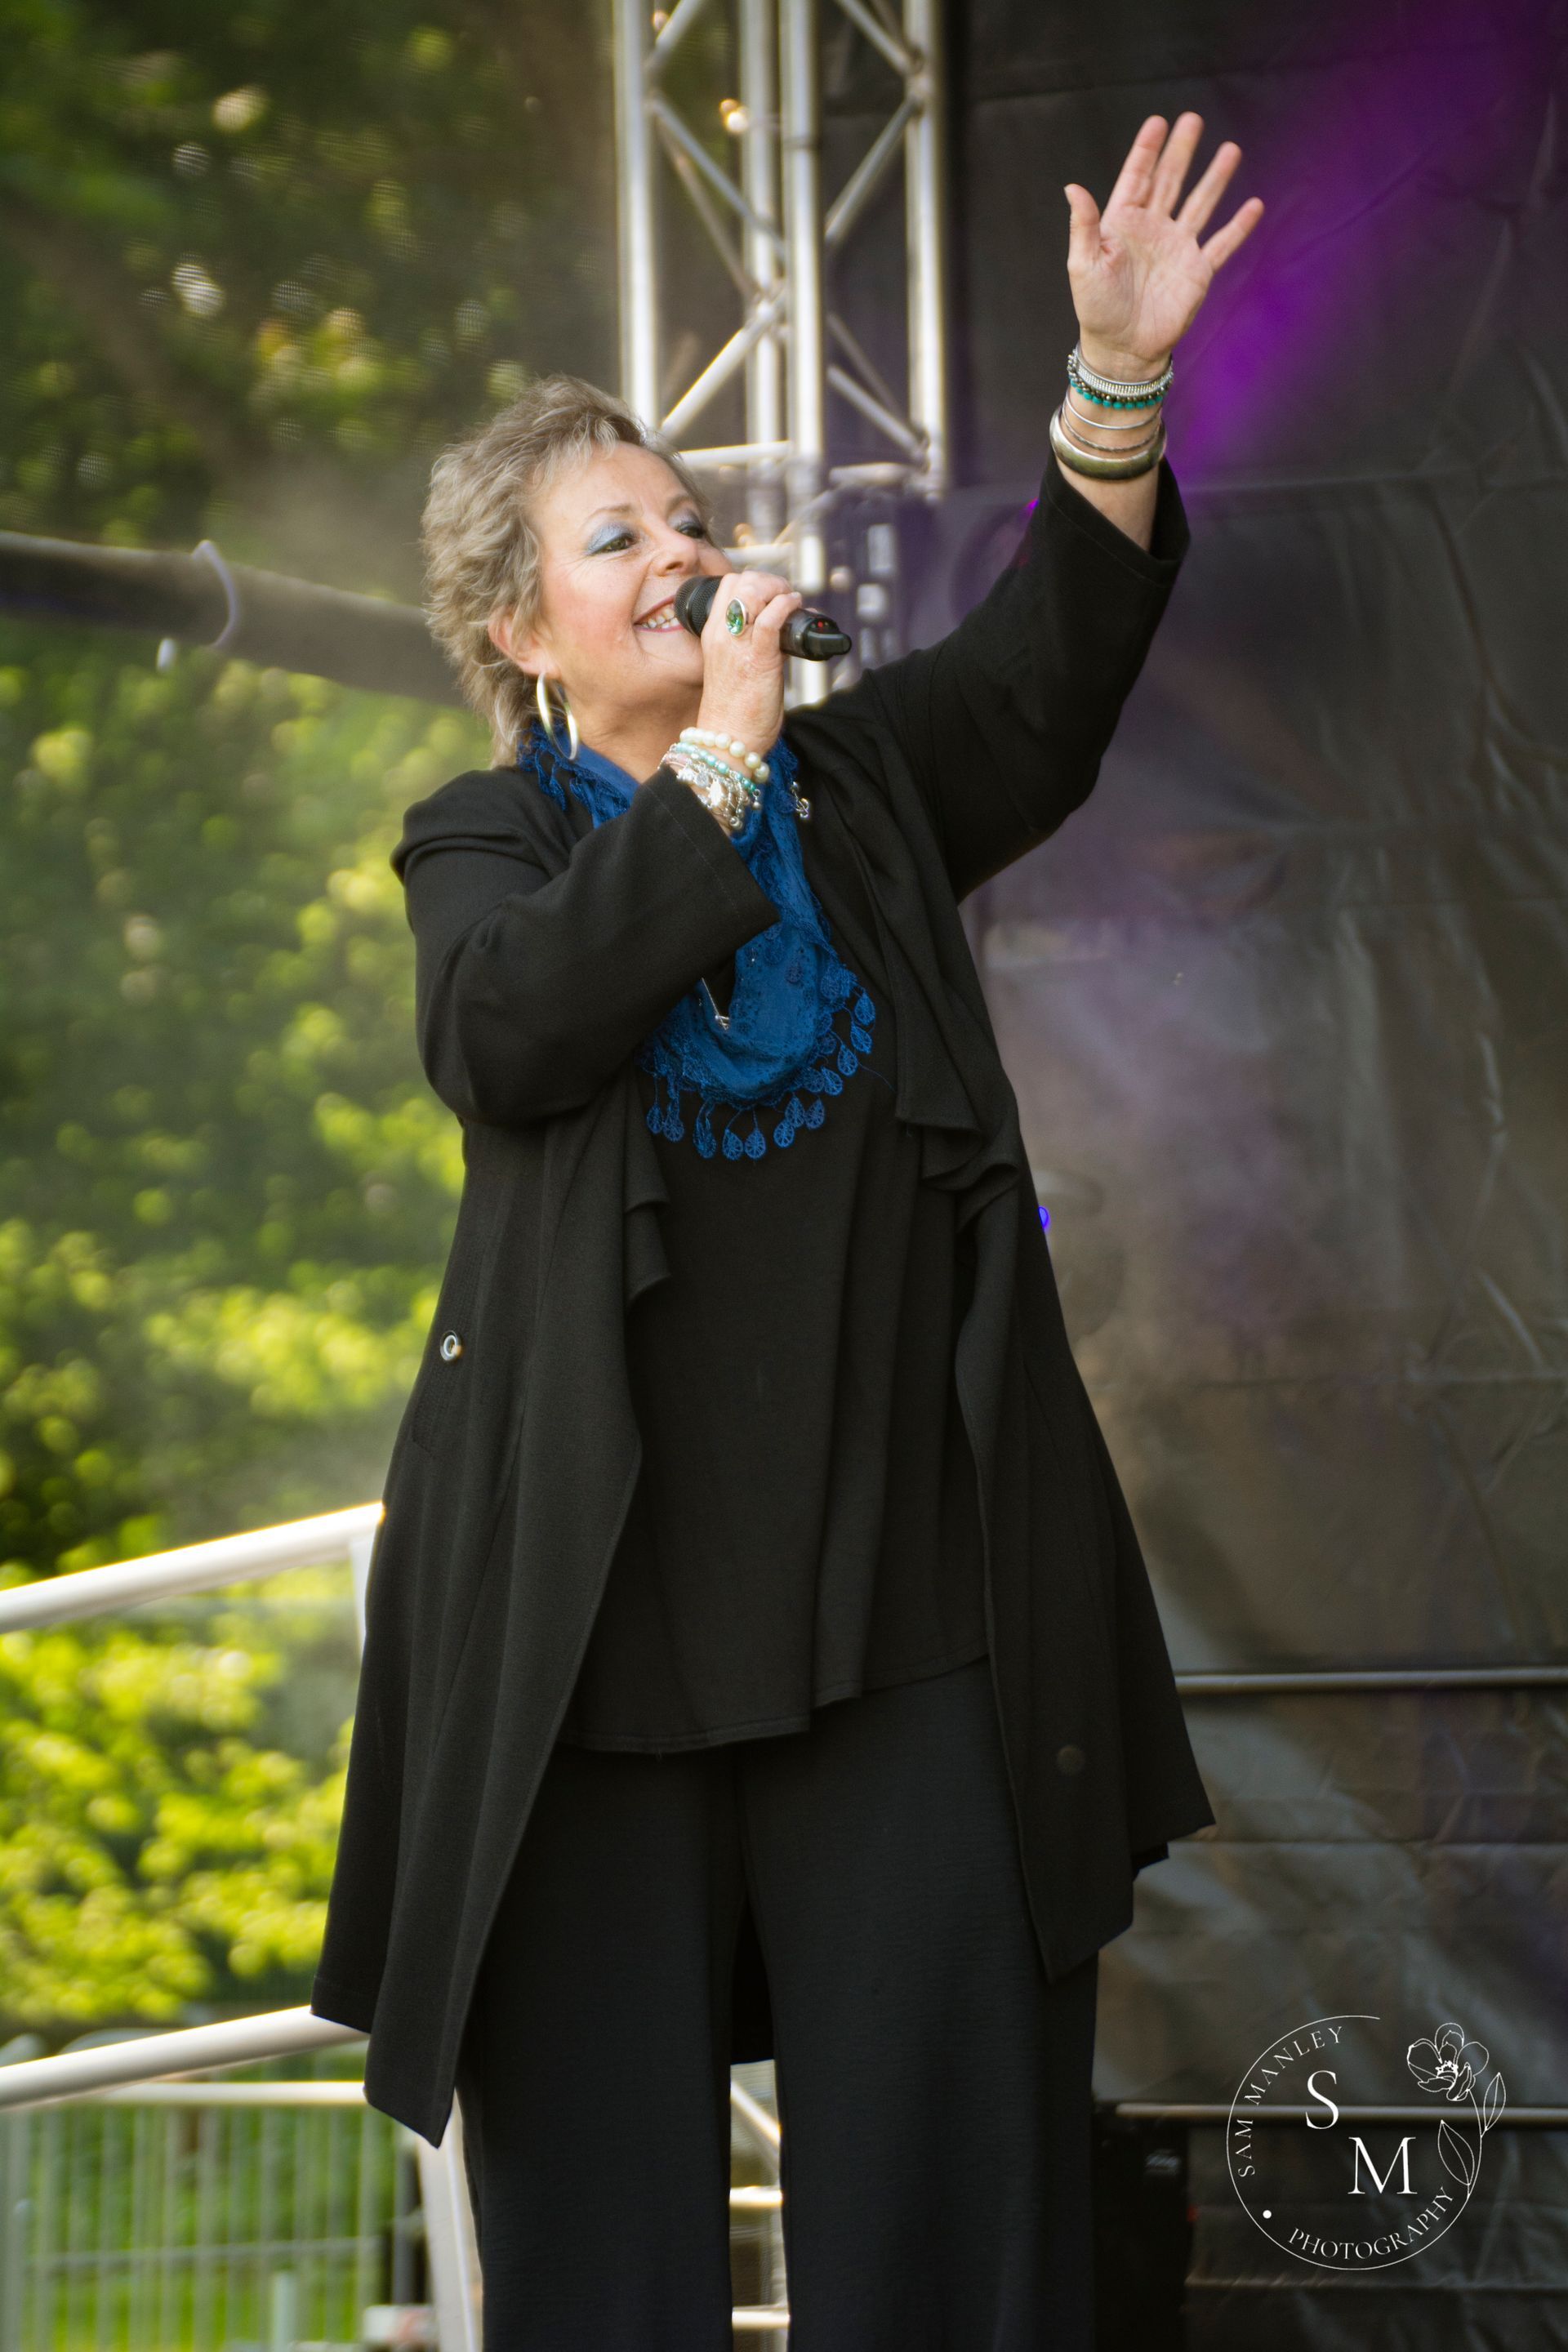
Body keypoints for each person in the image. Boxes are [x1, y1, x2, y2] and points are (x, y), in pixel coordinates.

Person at [312, 111, 1263, 2350]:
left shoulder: (858, 800)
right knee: (606, 2260)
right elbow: (516, 1040)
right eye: (615, 532)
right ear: (516, 629)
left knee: (954, 2206)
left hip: (897, 1613)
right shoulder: (490, 845)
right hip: (592, 1655)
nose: (683, 550)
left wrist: (1114, 383)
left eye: (693, 518)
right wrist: (720, 765)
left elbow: (1047, 673)